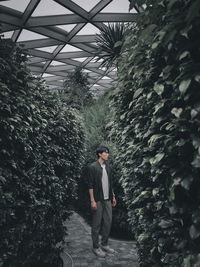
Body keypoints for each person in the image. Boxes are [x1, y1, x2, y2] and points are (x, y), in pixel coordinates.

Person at [87, 146, 117, 258]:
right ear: (100, 154)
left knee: (108, 222)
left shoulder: (108, 167)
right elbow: (90, 185)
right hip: (98, 199)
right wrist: (92, 201)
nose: (107, 154)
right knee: (96, 224)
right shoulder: (92, 167)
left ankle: (104, 244)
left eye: (108, 153)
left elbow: (110, 183)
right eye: (106, 153)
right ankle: (95, 247)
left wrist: (113, 196)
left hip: (108, 198)